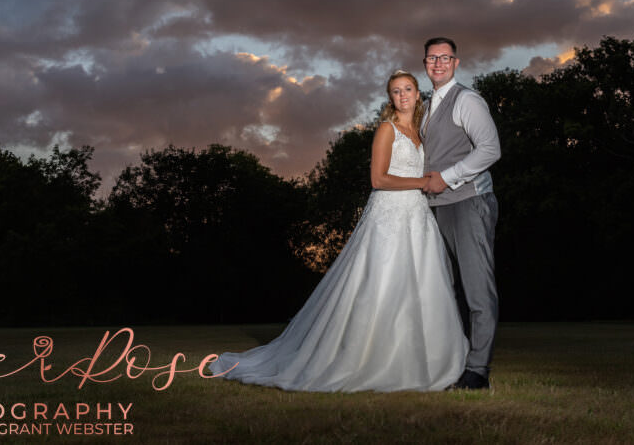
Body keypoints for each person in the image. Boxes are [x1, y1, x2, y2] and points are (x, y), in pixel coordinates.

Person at [207, 70, 467, 391]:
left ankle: (424, 360)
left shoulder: (424, 133)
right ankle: (367, 359)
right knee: (381, 284)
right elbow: (378, 179)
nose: (402, 95)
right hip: (388, 215)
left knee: (422, 285)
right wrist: (422, 182)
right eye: (396, 91)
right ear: (391, 98)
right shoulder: (387, 130)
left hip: (418, 216)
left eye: (408, 89)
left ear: (417, 94)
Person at [421, 37, 501, 390]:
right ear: (425, 64)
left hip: (469, 202)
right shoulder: (424, 107)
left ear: (455, 63)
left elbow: (490, 149)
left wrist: (449, 178)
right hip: (435, 209)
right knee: (445, 290)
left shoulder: (466, 99)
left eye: (444, 57)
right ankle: (454, 361)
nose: (438, 63)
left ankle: (478, 372)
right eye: (431, 58)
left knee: (477, 289)